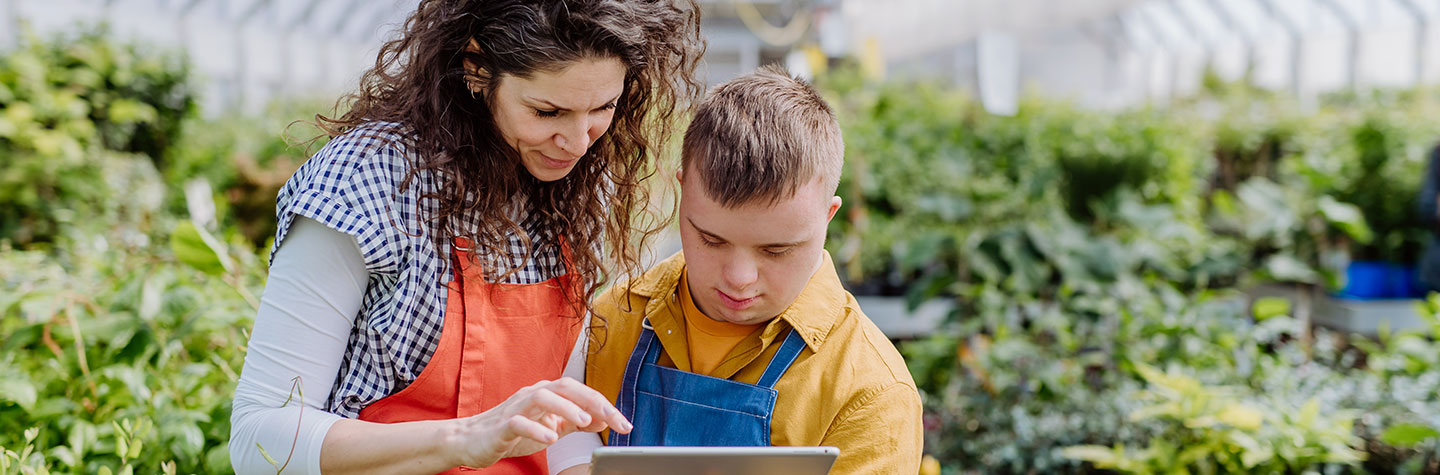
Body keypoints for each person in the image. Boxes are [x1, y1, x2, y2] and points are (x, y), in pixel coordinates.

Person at [226, 1, 703, 473]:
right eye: (547, 111)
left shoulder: (576, 190)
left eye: (603, 107)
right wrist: (466, 438)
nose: (579, 141)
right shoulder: (368, 183)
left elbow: (562, 413)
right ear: (476, 69)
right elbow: (259, 439)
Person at [555, 66, 923, 474]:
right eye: (711, 240)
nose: (739, 277)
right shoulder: (614, 317)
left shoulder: (869, 393)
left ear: (828, 216)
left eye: (776, 250)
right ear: (683, 193)